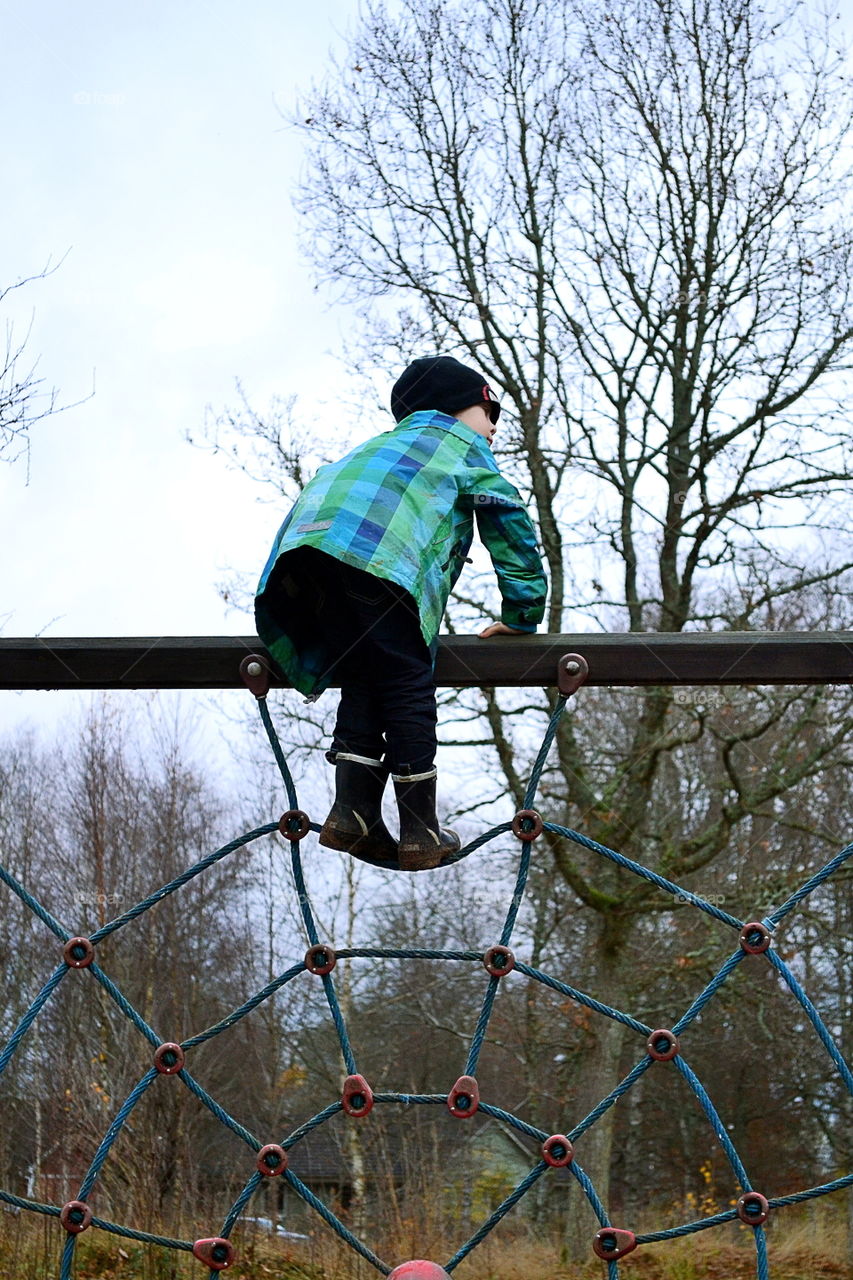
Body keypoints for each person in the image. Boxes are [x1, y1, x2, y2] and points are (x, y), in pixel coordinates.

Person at [255, 355, 547, 871]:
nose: (495, 425)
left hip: (304, 569)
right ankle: (420, 827)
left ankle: (353, 812)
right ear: (459, 409)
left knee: (366, 671)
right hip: (378, 563)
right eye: (490, 409)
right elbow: (509, 524)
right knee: (408, 677)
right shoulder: (462, 447)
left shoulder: (374, 448)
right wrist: (523, 612)